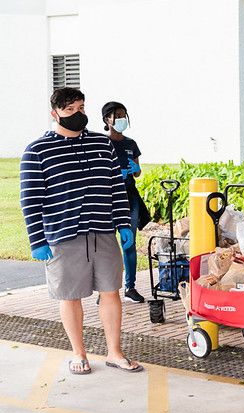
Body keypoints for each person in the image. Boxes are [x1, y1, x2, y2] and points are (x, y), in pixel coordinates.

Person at [20, 87, 143, 375]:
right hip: (64, 236)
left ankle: (114, 352)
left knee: (111, 292)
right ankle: (80, 353)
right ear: (55, 114)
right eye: (70, 110)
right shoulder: (37, 150)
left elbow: (116, 188)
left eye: (81, 108)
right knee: (70, 296)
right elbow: (30, 199)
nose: (78, 114)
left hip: (103, 232)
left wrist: (123, 223)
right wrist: (37, 239)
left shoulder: (103, 146)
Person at [102, 101, 146, 303]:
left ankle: (130, 286)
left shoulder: (131, 144)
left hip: (129, 197)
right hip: (108, 199)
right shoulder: (101, 143)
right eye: (116, 115)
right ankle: (107, 290)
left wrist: (132, 169)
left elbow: (137, 172)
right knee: (108, 246)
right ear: (106, 120)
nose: (120, 119)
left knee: (129, 244)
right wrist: (114, 175)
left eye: (123, 115)